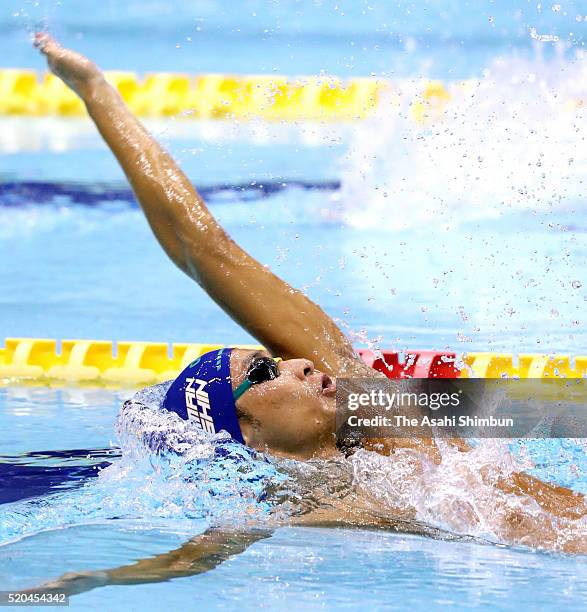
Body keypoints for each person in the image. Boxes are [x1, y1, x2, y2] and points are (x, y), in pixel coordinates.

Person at [27, 34, 587, 595]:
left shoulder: (377, 413)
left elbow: (203, 249)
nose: (293, 362)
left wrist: (95, 91)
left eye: (275, 359)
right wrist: (69, 585)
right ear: (247, 435)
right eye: (264, 373)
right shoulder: (297, 508)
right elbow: (186, 564)